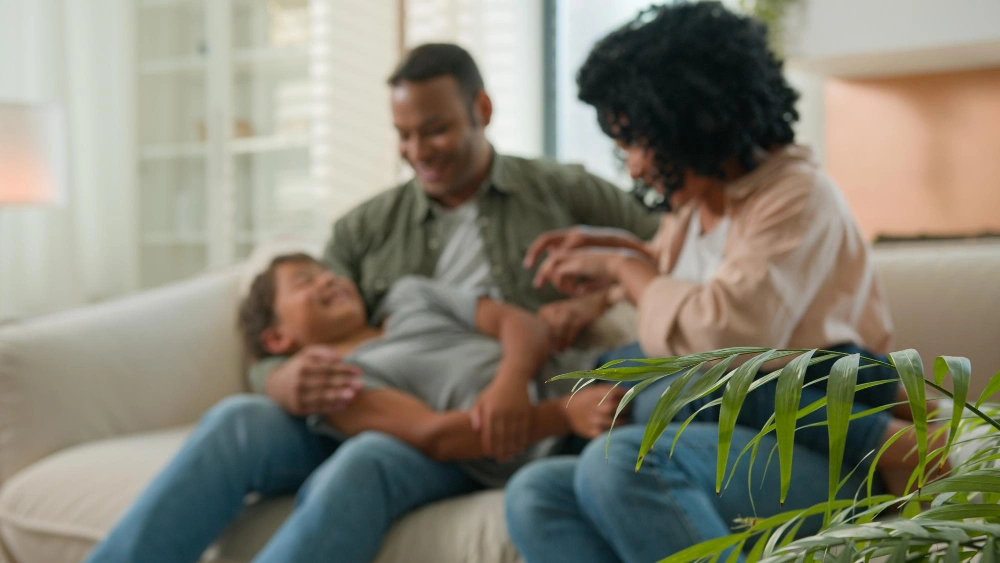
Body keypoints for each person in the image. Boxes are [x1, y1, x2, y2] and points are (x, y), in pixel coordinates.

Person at [504, 4, 936, 562]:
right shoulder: (691, 212)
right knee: (536, 493)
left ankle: (884, 447)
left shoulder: (797, 197)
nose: (632, 167)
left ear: (688, 121)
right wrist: (606, 272)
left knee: (623, 458)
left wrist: (622, 269)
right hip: (728, 439)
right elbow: (674, 295)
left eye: (638, 141)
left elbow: (721, 342)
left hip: (819, 450)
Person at [86, 254, 621, 563]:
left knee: (362, 455)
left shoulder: (411, 297)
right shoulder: (337, 382)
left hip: (577, 384)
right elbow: (433, 434)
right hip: (482, 438)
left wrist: (512, 380)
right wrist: (557, 416)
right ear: (278, 337)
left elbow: (518, 323)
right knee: (247, 424)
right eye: (304, 282)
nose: (324, 279)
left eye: (324, 270)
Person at [250, 42, 661, 414]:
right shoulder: (361, 230)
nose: (417, 152)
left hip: (548, 385)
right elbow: (300, 327)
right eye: (404, 135)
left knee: (688, 381)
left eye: (435, 131)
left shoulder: (562, 189)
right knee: (244, 421)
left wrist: (598, 300)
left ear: (481, 110)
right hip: (424, 413)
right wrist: (275, 379)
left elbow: (670, 248)